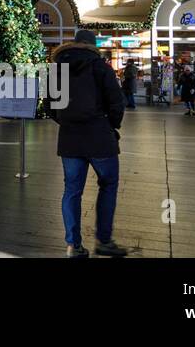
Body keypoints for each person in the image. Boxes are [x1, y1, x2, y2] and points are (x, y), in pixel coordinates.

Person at [51, 29, 128, 258]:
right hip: (99, 137)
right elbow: (116, 102)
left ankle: (73, 245)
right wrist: (110, 124)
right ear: (92, 45)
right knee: (108, 184)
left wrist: (67, 121)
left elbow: (50, 106)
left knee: (71, 190)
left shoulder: (57, 70)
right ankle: (104, 241)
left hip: (69, 139)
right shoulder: (100, 67)